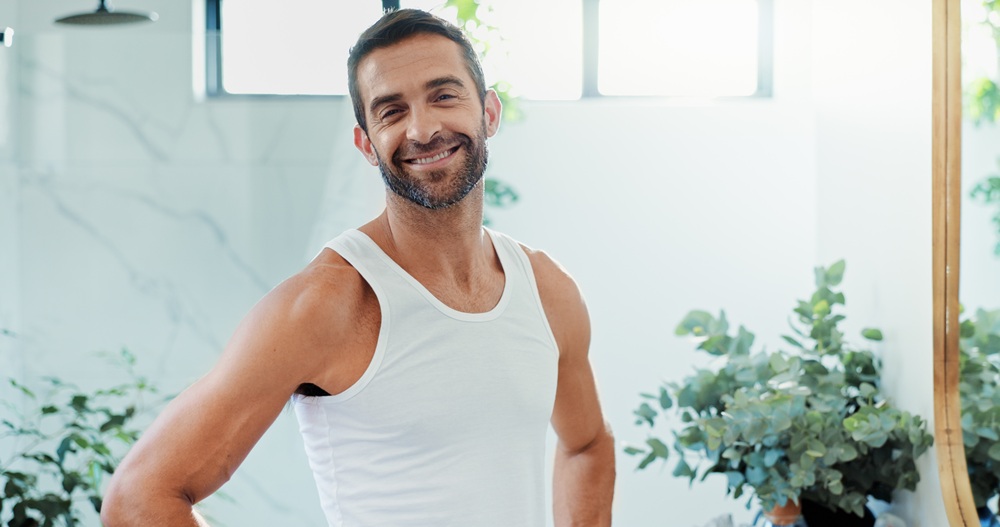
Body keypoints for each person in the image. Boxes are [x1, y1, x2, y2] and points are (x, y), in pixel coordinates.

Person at [101, 8, 615, 526]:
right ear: (366, 143)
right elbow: (139, 497)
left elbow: (588, 444)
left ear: (489, 113)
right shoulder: (324, 304)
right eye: (391, 111)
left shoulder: (546, 290)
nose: (423, 128)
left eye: (444, 95)